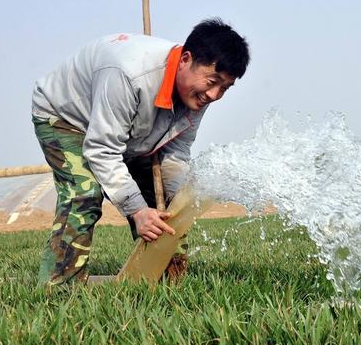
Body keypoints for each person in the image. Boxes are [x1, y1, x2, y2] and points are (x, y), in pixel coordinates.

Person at [31, 18, 250, 285]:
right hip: (67, 118)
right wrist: (136, 210)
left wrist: (179, 199)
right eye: (213, 81)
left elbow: (177, 152)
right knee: (84, 191)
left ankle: (165, 279)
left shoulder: (198, 93)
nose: (215, 95)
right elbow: (102, 149)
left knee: (170, 201)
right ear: (186, 59)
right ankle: (58, 285)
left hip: (129, 131)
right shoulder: (128, 73)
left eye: (225, 88)